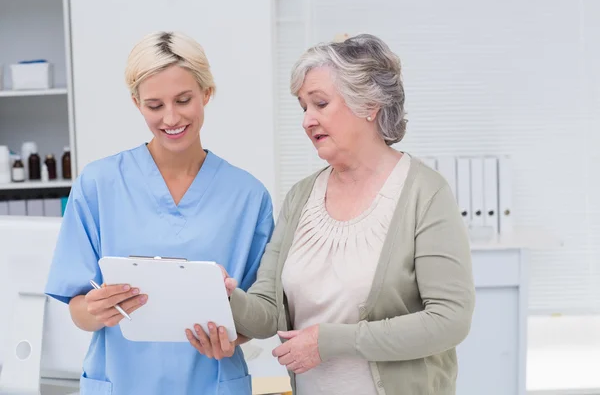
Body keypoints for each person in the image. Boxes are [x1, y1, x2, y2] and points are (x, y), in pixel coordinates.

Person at [188, 34, 476, 394]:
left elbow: (450, 320)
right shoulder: (301, 197)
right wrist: (227, 297)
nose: (307, 121)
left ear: (368, 104)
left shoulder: (425, 193)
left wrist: (330, 342)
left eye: (320, 104)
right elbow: (269, 312)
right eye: (303, 107)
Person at [44, 31, 274, 395]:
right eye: (154, 105)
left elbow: (259, 314)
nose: (171, 118)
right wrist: (97, 308)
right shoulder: (99, 184)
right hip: (121, 382)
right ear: (137, 103)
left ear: (206, 94)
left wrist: (232, 338)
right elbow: (78, 310)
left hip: (212, 383)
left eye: (184, 100)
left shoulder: (248, 196)